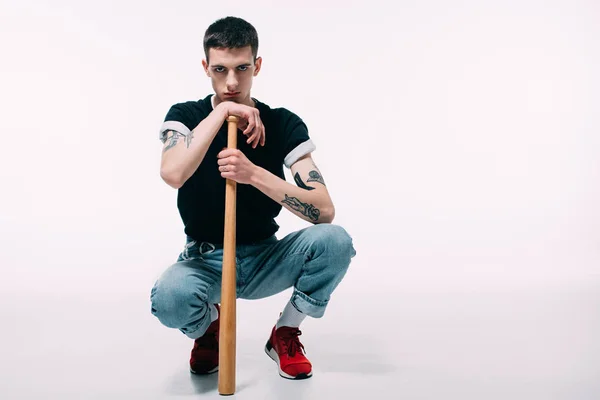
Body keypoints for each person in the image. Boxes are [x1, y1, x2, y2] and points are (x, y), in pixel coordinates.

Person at [150, 16, 356, 380]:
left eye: (242, 68)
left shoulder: (281, 123)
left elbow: (323, 210)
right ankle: (209, 329)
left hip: (265, 257)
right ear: (205, 68)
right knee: (169, 298)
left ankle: (285, 332)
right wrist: (223, 112)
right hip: (206, 260)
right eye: (220, 69)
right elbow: (173, 173)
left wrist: (253, 174)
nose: (231, 82)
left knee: (335, 241)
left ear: (257, 65)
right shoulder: (186, 116)